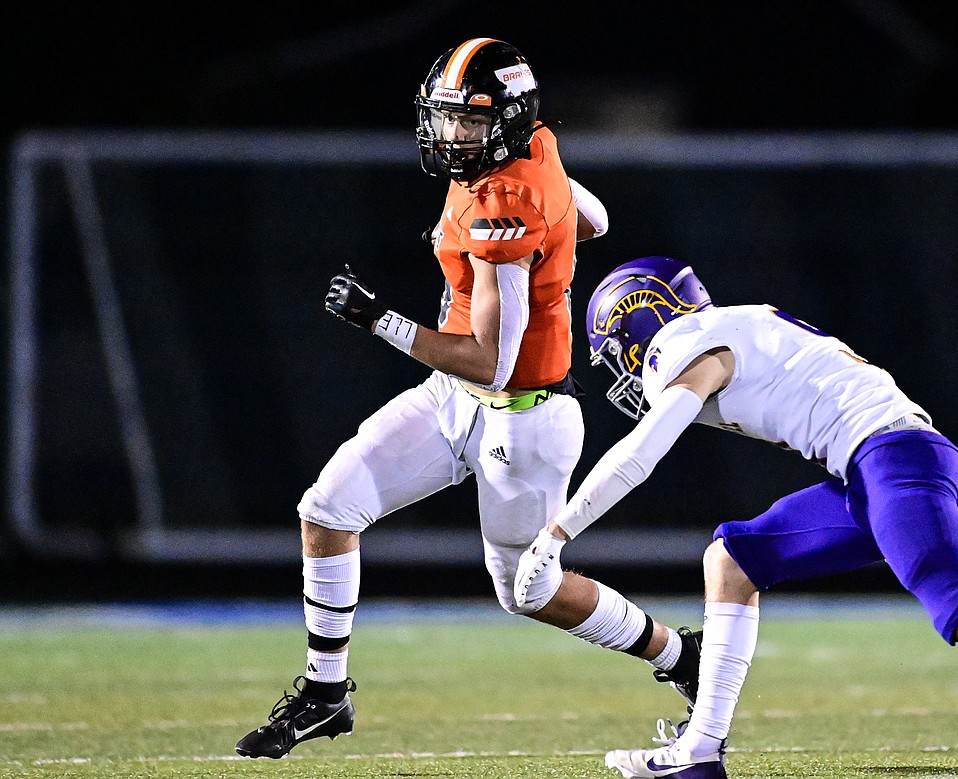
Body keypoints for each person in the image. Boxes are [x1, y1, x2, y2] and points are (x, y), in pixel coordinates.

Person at [513, 255, 958, 779]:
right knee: (734, 558)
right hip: (876, 469)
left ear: (637, 322)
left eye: (615, 347)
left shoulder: (687, 343)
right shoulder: (728, 327)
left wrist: (558, 530)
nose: (621, 366)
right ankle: (700, 751)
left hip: (894, 461)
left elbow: (643, 451)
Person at [234, 40, 699, 760]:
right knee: (327, 509)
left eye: (472, 122)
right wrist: (554, 226)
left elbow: (492, 361)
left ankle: (678, 654)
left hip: (524, 418)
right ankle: (328, 693)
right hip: (454, 398)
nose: (454, 135)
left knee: (527, 592)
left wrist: (377, 318)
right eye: (448, 118)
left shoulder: (504, 205)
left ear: (508, 122)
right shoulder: (529, 151)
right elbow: (593, 215)